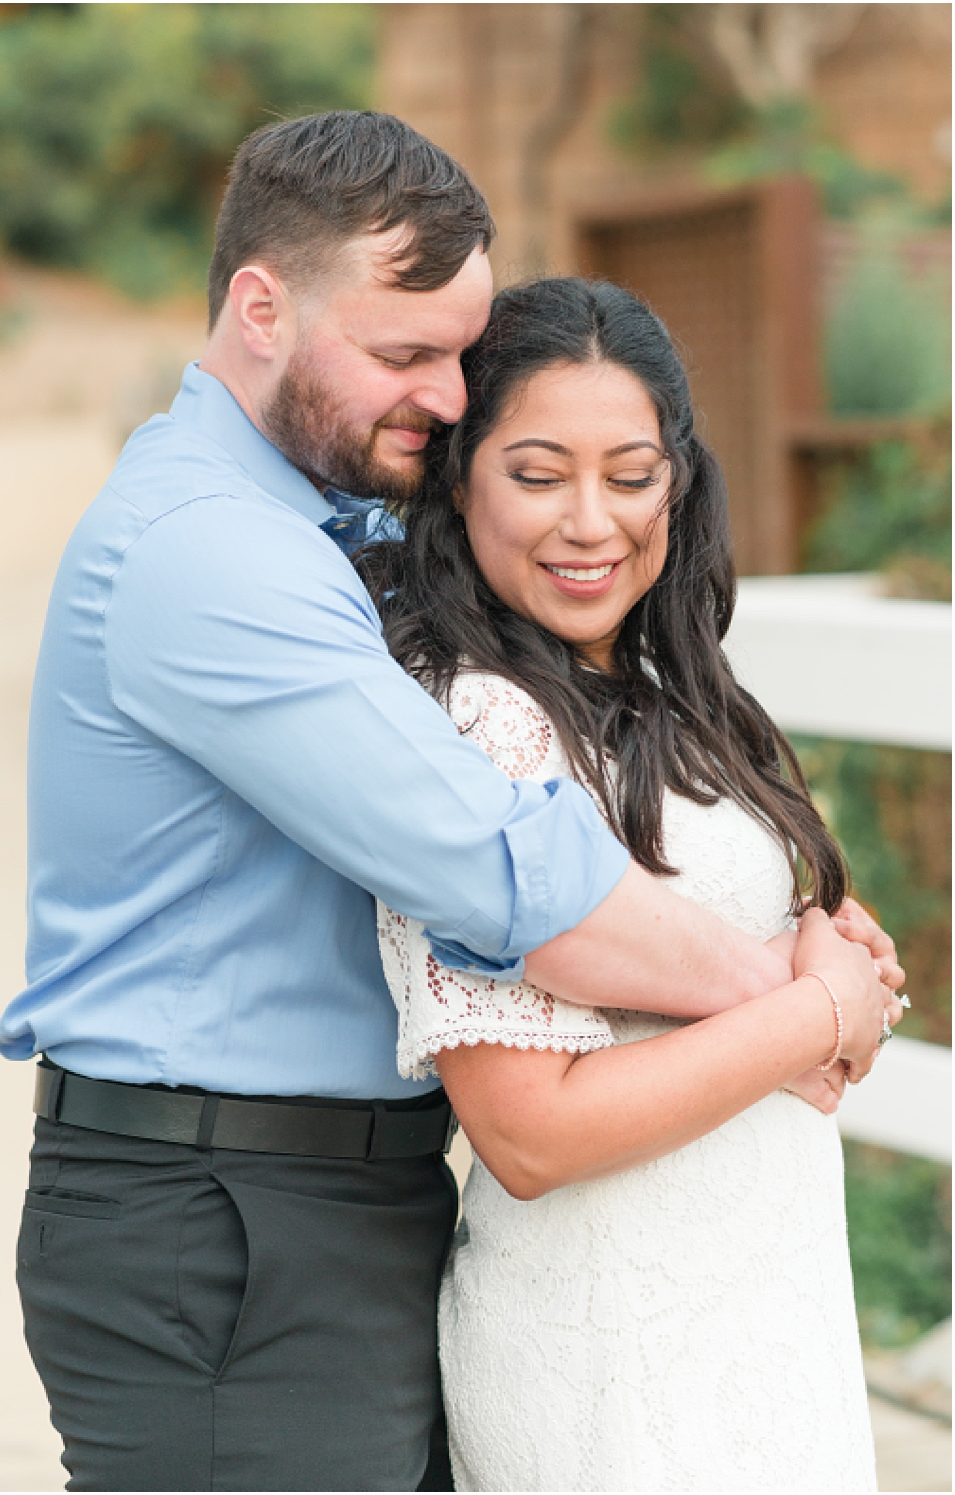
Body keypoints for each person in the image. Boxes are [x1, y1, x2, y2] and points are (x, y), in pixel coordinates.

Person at [0, 111, 900, 1491]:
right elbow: (508, 872)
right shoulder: (214, 553)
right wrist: (804, 1007)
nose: (442, 396)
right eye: (406, 354)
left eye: (460, 358)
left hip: (337, 1197)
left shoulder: (326, 518)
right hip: (221, 1213)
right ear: (261, 307)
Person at [358, 277, 900, 1490]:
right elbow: (526, 1130)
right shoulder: (472, 725)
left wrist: (827, 944)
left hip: (763, 1319)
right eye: (536, 475)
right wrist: (811, 1011)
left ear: (679, 481)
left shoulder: (671, 699)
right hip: (612, 1359)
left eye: (630, 473)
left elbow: (741, 954)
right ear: (458, 482)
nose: (589, 522)